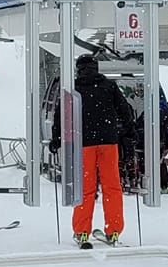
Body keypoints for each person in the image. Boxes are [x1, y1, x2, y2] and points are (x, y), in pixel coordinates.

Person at [49, 55, 138, 248]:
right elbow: (125, 110)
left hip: (84, 143)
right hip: (108, 142)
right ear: (96, 68)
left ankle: (82, 232)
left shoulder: (73, 89)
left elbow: (60, 115)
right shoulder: (109, 86)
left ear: (78, 69)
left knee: (85, 189)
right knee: (112, 186)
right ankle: (113, 229)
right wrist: (128, 132)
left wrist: (56, 139)